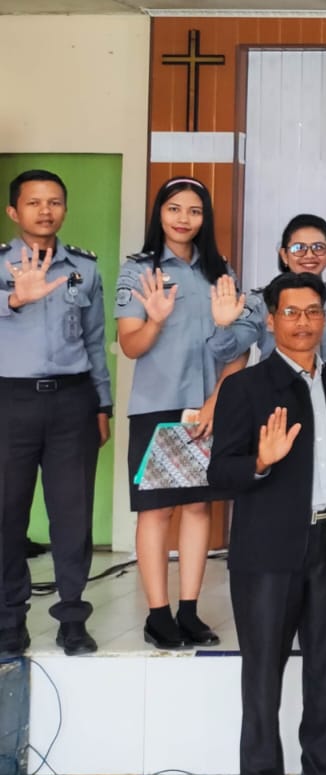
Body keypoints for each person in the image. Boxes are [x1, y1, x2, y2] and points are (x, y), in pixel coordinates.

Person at [208, 273, 326, 775]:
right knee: (262, 675)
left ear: (324, 318)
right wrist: (260, 460)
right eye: (291, 312)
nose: (303, 322)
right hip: (267, 554)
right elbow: (220, 473)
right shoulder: (246, 388)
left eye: (312, 312)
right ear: (273, 319)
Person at [115, 176, 249, 650]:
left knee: (198, 507)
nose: (184, 219)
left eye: (194, 211)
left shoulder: (221, 270)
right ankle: (157, 614)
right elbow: (130, 346)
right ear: (160, 213)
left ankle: (189, 611)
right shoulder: (138, 271)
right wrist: (154, 318)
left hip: (209, 405)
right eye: (175, 209)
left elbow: (239, 349)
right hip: (158, 406)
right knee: (157, 511)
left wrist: (218, 399)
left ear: (204, 218)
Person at [0, 169, 111, 658]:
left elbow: (94, 341)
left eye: (55, 202)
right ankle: (9, 618)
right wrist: (14, 299)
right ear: (13, 211)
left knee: (72, 515)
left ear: (64, 208)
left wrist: (102, 403)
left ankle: (71, 617)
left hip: (72, 402)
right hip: (10, 401)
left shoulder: (83, 268)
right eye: (34, 202)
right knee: (7, 515)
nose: (45, 211)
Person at [210, 214, 326, 389]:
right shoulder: (262, 301)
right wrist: (223, 325)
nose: (309, 255)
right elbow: (227, 352)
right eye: (299, 248)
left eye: (318, 247)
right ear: (284, 255)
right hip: (275, 401)